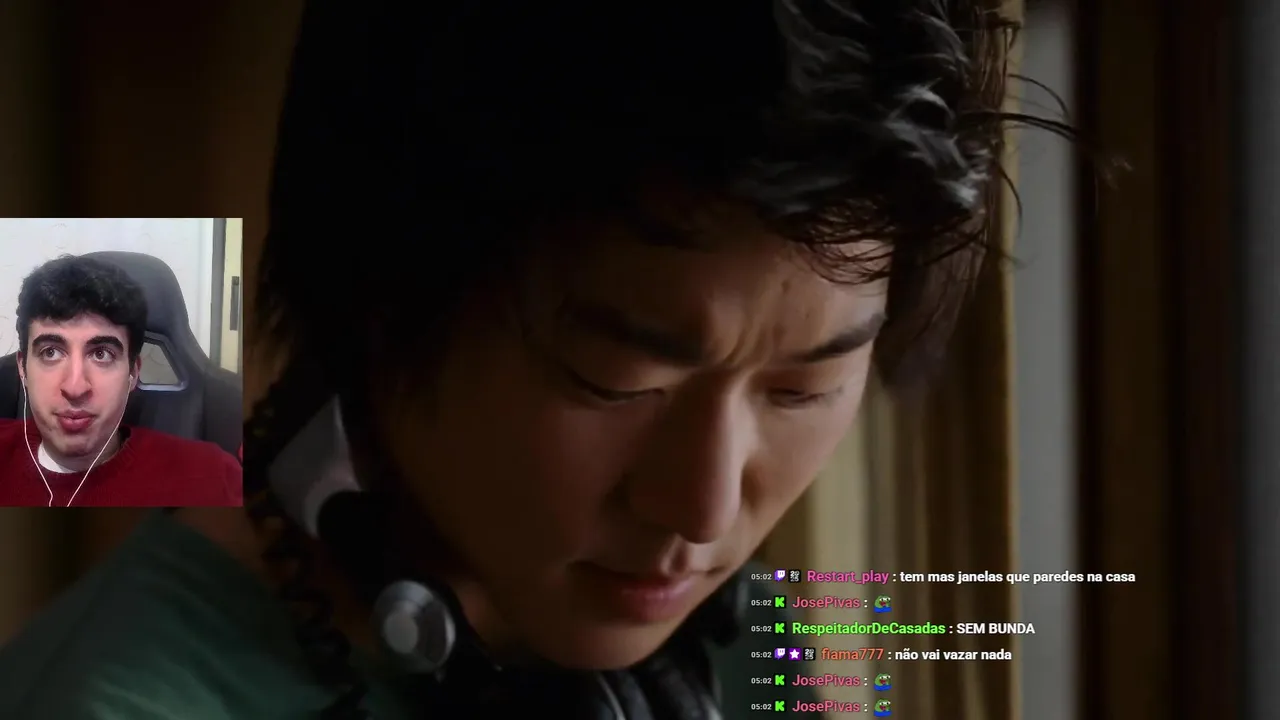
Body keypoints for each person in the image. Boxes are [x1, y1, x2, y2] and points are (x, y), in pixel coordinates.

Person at [0, 1, 1067, 718]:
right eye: (618, 382)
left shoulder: (754, 653)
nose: (701, 509)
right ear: (384, 293)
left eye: (804, 388)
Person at [0, 255, 241, 507]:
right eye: (51, 352)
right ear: (22, 368)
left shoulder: (211, 479)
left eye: (101, 354)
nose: (75, 387)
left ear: (133, 373)